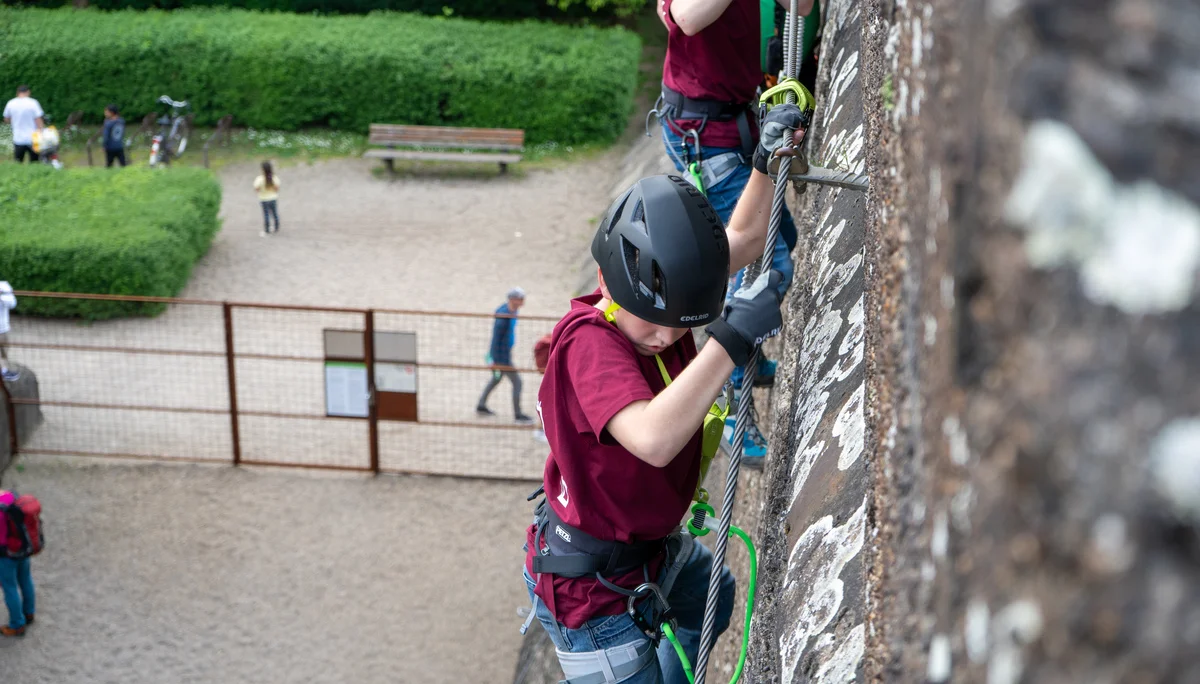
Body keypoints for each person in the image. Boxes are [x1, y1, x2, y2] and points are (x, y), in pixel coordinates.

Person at [522, 105, 806, 684]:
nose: (666, 335)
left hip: (651, 550)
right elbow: (651, 437)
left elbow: (747, 237)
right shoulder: (588, 346)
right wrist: (727, 339)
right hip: (592, 593)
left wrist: (762, 162)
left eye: (681, 322)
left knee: (714, 599)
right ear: (606, 282)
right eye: (652, 320)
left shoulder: (662, 302)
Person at [653, 0, 815, 463]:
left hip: (735, 120)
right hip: (704, 133)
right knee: (767, 262)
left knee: (781, 232)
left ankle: (750, 360)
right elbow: (686, 17)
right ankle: (726, 399)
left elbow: (799, 8)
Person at [477, 287, 534, 424]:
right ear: (512, 299)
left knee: (496, 379)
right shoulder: (504, 316)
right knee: (517, 382)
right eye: (520, 298)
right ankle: (518, 415)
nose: (522, 301)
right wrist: (494, 359)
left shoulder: (511, 310)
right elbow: (496, 339)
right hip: (502, 357)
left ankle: (481, 405)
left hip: (503, 354)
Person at [0, 490, 35, 638]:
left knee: (10, 588)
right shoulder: (11, 495)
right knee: (26, 580)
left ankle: (17, 624)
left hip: (5, 553)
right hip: (22, 548)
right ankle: (29, 612)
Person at [3, 86, 45, 164]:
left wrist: (13, 122)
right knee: (35, 162)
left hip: (18, 138)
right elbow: (38, 119)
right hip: (33, 138)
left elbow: (6, 119)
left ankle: (18, 175)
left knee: (18, 162)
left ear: (17, 93)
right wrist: (41, 131)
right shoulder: (33, 103)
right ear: (28, 92)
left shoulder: (11, 103)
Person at [253, 161, 281, 236]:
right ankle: (276, 227)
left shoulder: (260, 179)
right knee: (274, 213)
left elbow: (256, 189)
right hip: (273, 198)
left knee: (266, 214)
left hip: (264, 199)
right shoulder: (274, 178)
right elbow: (277, 188)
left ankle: (267, 230)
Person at [0, 282, 17, 382]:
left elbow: (13, 303)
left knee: (4, 351)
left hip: (3, 329)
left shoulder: (4, 286)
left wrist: (1, 297)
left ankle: (5, 371)